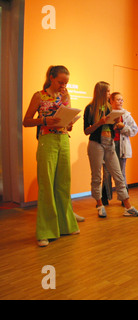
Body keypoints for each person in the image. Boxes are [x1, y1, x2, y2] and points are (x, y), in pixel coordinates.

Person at [23, 65, 80, 247]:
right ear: (51, 78)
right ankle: (45, 231)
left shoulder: (66, 96)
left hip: (63, 140)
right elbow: (26, 121)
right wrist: (45, 120)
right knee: (46, 184)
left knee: (63, 183)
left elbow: (67, 122)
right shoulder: (39, 96)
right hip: (47, 140)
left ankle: (66, 225)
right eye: (60, 82)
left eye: (66, 82)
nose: (63, 85)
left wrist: (69, 123)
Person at [83, 81, 138, 218]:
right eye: (107, 91)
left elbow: (116, 126)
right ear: (100, 92)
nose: (109, 94)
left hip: (109, 143)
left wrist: (117, 123)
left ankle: (128, 206)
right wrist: (99, 123)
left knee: (119, 175)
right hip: (96, 144)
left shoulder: (110, 107)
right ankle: (99, 204)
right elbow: (87, 131)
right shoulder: (90, 108)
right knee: (97, 176)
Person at [101, 92, 138, 206]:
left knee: (121, 173)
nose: (121, 102)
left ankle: (124, 198)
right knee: (107, 173)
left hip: (121, 147)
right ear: (111, 101)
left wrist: (123, 127)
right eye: (118, 99)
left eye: (122, 100)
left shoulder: (126, 115)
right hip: (108, 146)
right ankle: (105, 197)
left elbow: (134, 130)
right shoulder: (105, 114)